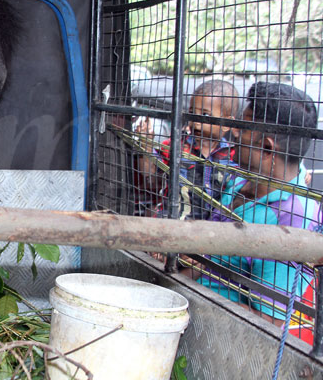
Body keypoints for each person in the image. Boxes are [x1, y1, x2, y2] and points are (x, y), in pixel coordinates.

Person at [199, 82, 322, 323]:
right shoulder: (238, 181)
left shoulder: (294, 218)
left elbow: (267, 322)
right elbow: (209, 263)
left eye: (243, 127)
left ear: (267, 148)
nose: (234, 132)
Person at [137, 79, 240, 219]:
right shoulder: (174, 147)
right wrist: (146, 146)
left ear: (227, 123)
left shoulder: (232, 157)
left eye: (205, 115)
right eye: (192, 112)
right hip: (173, 222)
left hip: (211, 230)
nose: (196, 121)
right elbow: (150, 176)